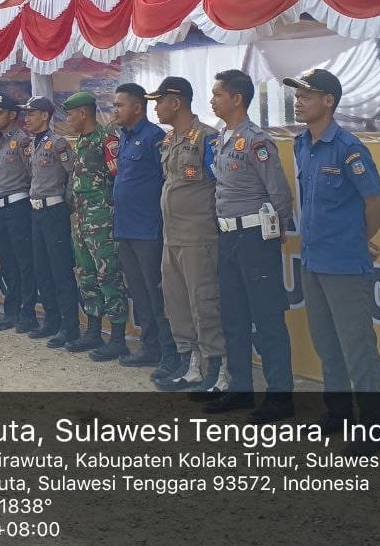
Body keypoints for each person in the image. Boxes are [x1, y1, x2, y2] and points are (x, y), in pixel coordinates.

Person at [285, 68, 380, 452]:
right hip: (313, 259)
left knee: (357, 346)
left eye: (306, 95)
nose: (298, 102)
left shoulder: (348, 148)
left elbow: (377, 203)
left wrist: (358, 240)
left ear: (328, 101)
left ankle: (372, 428)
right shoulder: (302, 144)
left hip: (344, 264)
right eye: (297, 95)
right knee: (326, 343)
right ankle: (338, 413)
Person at [205, 69, 295, 422]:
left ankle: (280, 396)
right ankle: (240, 387)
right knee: (233, 316)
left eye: (218, 94)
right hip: (227, 236)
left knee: (267, 318)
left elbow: (279, 192)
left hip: (255, 237)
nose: (212, 100)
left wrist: (276, 232)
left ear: (237, 98)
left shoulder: (257, 141)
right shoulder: (222, 138)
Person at [146, 76, 226, 393]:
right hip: (172, 236)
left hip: (198, 236)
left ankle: (218, 369)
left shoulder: (207, 138)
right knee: (177, 304)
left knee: (204, 303)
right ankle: (189, 365)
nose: (156, 107)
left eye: (159, 101)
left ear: (176, 102)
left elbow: (222, 185)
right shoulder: (169, 140)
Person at [110, 83, 173, 367]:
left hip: (148, 230)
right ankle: (150, 347)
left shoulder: (154, 137)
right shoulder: (123, 137)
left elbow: (166, 180)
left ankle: (168, 352)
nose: (115, 110)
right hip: (125, 228)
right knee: (138, 292)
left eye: (119, 105)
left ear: (137, 107)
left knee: (156, 293)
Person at [62, 91, 127, 354]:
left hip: (102, 221)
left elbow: (117, 177)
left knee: (108, 276)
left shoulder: (106, 140)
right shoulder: (82, 141)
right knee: (87, 275)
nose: (67, 120)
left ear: (83, 113)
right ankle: (93, 332)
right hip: (82, 220)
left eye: (70, 114)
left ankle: (118, 339)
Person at [22, 97, 81, 348]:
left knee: (60, 271)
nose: (26, 118)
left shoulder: (58, 143)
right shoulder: (32, 144)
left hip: (54, 211)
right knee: (42, 269)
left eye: (31, 114)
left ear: (45, 115)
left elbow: (73, 175)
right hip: (36, 211)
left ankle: (70, 327)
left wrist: (65, 205)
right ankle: (51, 320)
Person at [0, 94, 35, 334]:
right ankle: (12, 311)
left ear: (12, 115)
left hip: (18, 205)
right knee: (7, 261)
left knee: (24, 261)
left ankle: (28, 313)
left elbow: (32, 173)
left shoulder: (22, 141)